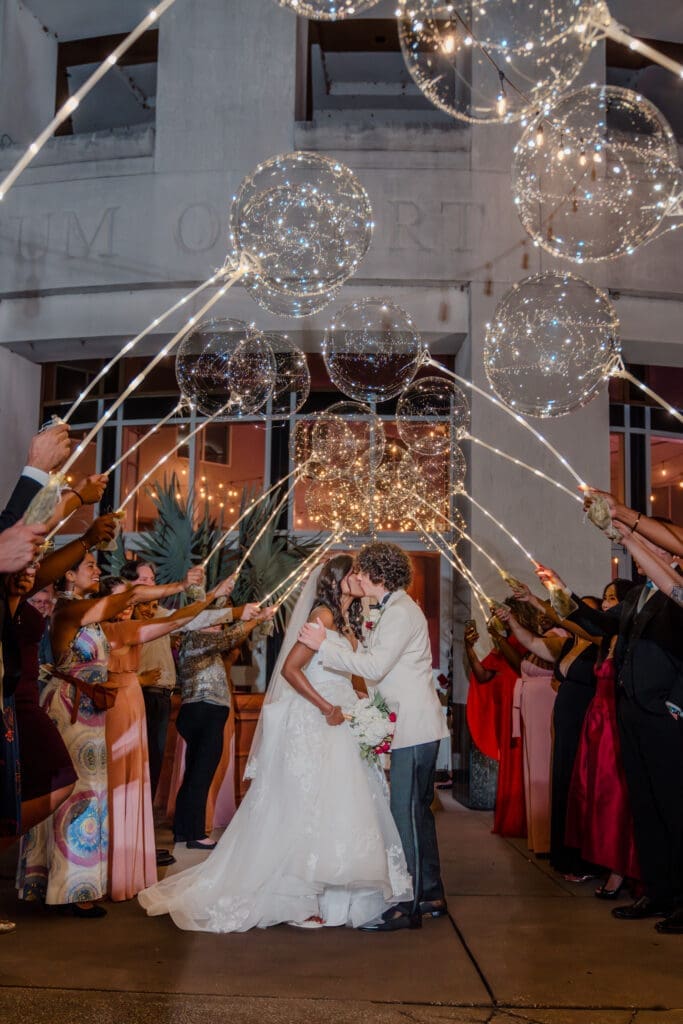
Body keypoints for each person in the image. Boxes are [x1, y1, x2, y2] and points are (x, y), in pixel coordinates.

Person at [138, 555, 412, 931]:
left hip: (343, 720)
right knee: (305, 807)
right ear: (336, 579)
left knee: (338, 806)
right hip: (317, 718)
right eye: (352, 573)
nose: (359, 578)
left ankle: (335, 898)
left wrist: (366, 710)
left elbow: (355, 672)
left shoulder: (348, 621)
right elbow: (290, 669)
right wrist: (327, 706)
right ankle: (298, 896)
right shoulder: (323, 616)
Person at [15, 540, 207, 917]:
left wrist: (204, 596)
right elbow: (126, 600)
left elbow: (146, 617)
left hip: (91, 709)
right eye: (89, 565)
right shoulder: (70, 611)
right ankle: (70, 890)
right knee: (80, 794)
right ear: (68, 575)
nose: (97, 570)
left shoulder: (98, 621)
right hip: (70, 706)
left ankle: (64, 884)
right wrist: (181, 587)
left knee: (91, 793)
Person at [299, 542, 449, 931]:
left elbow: (376, 665)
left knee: (407, 814)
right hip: (408, 726)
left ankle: (410, 907)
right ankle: (431, 893)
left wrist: (324, 650)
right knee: (417, 812)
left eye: (363, 570)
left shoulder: (400, 612)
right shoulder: (386, 610)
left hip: (414, 728)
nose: (358, 576)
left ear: (378, 575)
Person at [535, 551, 683, 934]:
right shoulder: (638, 595)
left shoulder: (676, 591)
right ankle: (658, 893)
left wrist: (676, 704)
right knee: (644, 808)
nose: (636, 555)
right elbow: (601, 625)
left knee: (673, 809)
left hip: (665, 714)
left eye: (646, 548)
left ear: (667, 554)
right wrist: (559, 591)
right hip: (631, 712)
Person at [97, 573, 238, 900]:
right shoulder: (119, 628)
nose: (128, 607)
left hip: (143, 698)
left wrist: (215, 597)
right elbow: (190, 620)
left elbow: (183, 617)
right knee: (123, 777)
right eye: (124, 600)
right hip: (127, 700)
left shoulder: (157, 619)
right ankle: (119, 848)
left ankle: (133, 850)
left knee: (142, 776)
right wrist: (233, 610)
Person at [171, 605, 273, 850]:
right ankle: (195, 833)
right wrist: (255, 620)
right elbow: (230, 636)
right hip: (203, 711)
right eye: (212, 621)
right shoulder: (196, 637)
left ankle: (184, 830)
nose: (218, 625)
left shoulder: (202, 642)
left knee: (196, 773)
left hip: (205, 711)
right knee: (201, 774)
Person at [565, 579, 640, 900]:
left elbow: (579, 621)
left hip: (616, 723)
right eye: (606, 598)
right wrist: (557, 592)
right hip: (597, 723)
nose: (607, 603)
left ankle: (621, 869)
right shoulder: (607, 638)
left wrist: (561, 595)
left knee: (615, 798)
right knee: (593, 795)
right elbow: (575, 619)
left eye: (612, 598)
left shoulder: (625, 636)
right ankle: (606, 861)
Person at [464, 614, 527, 838]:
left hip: (526, 711)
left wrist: (498, 638)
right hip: (506, 714)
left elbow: (520, 666)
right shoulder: (505, 645)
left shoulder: (527, 643)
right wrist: (469, 648)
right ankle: (512, 819)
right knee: (510, 767)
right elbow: (482, 675)